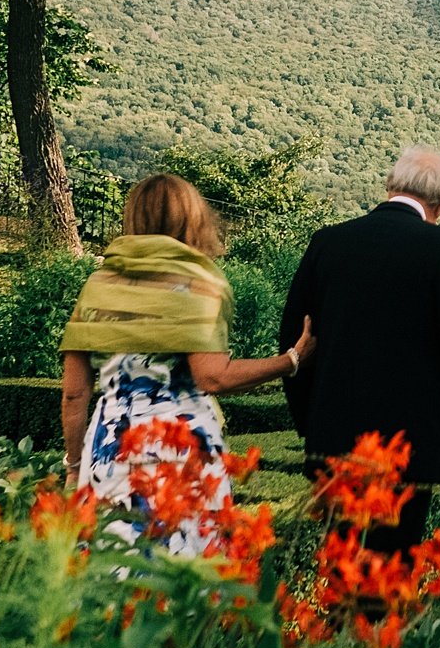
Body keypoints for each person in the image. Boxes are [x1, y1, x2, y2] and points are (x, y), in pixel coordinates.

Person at [60, 174, 316, 552]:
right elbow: (213, 378)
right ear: (193, 219)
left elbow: (74, 393)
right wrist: (291, 359)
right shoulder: (199, 282)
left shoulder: (99, 283)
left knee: (110, 568)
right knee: (185, 571)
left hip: (111, 444)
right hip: (181, 447)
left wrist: (72, 466)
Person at [277, 145, 440, 552]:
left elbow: (294, 340)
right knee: (390, 573)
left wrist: (310, 424)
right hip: (406, 450)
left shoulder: (328, 243)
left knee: (342, 571)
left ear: (390, 185)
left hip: (333, 443)